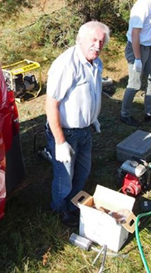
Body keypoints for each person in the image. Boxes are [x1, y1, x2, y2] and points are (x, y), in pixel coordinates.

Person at [45, 21, 109, 227]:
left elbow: (90, 93)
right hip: (66, 133)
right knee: (64, 179)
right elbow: (50, 105)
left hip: (85, 130)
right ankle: (59, 211)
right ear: (80, 40)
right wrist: (60, 142)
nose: (97, 45)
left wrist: (93, 117)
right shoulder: (66, 65)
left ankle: (73, 206)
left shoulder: (96, 63)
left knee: (83, 172)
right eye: (93, 40)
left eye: (101, 41)